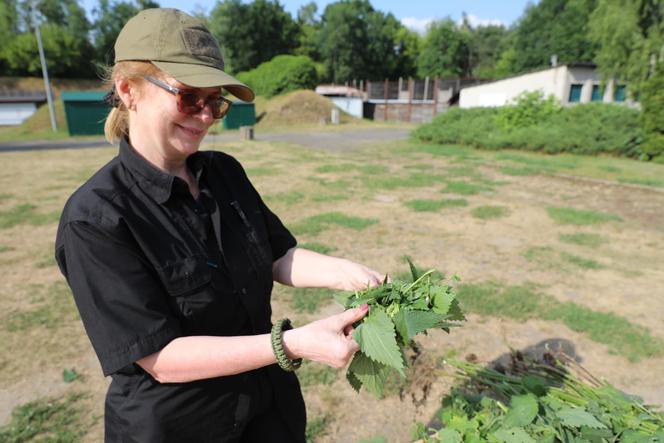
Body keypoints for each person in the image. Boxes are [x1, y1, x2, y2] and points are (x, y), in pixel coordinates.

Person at [54, 8, 385, 443]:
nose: (206, 116)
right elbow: (160, 357)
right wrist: (290, 344)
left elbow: (277, 255)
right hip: (181, 426)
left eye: (216, 102)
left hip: (268, 410)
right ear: (128, 90)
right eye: (190, 97)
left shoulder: (223, 172)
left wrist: (350, 274)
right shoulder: (95, 219)